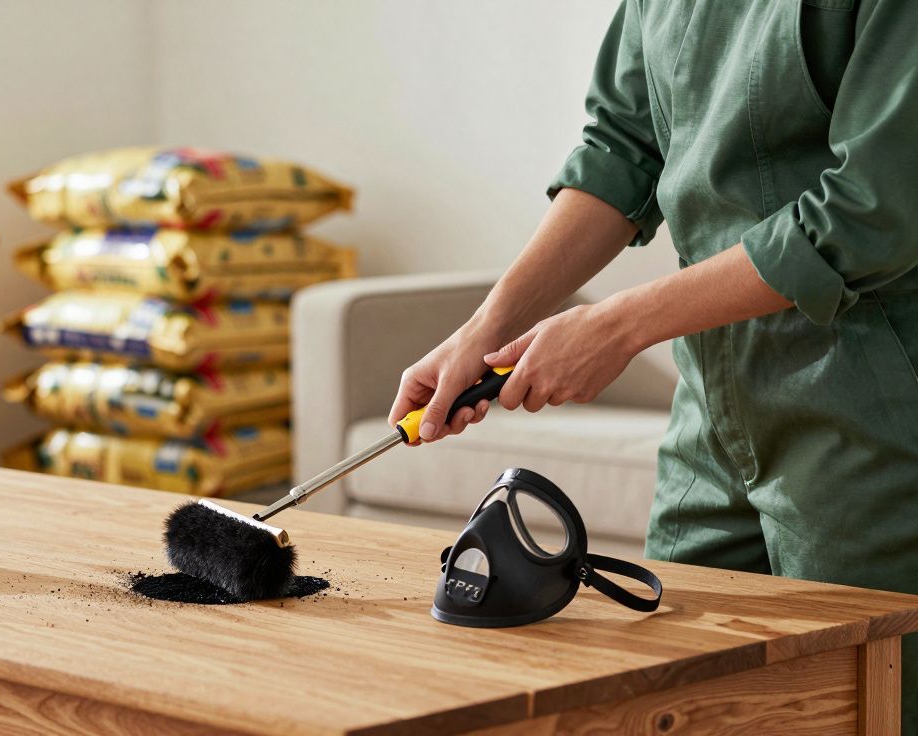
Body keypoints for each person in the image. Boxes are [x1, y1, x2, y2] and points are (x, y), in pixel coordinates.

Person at [389, 1, 918, 730]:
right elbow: (621, 149)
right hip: (714, 412)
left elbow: (873, 211)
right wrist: (484, 328)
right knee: (670, 695)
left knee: (873, 699)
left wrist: (617, 325)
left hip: (875, 409)